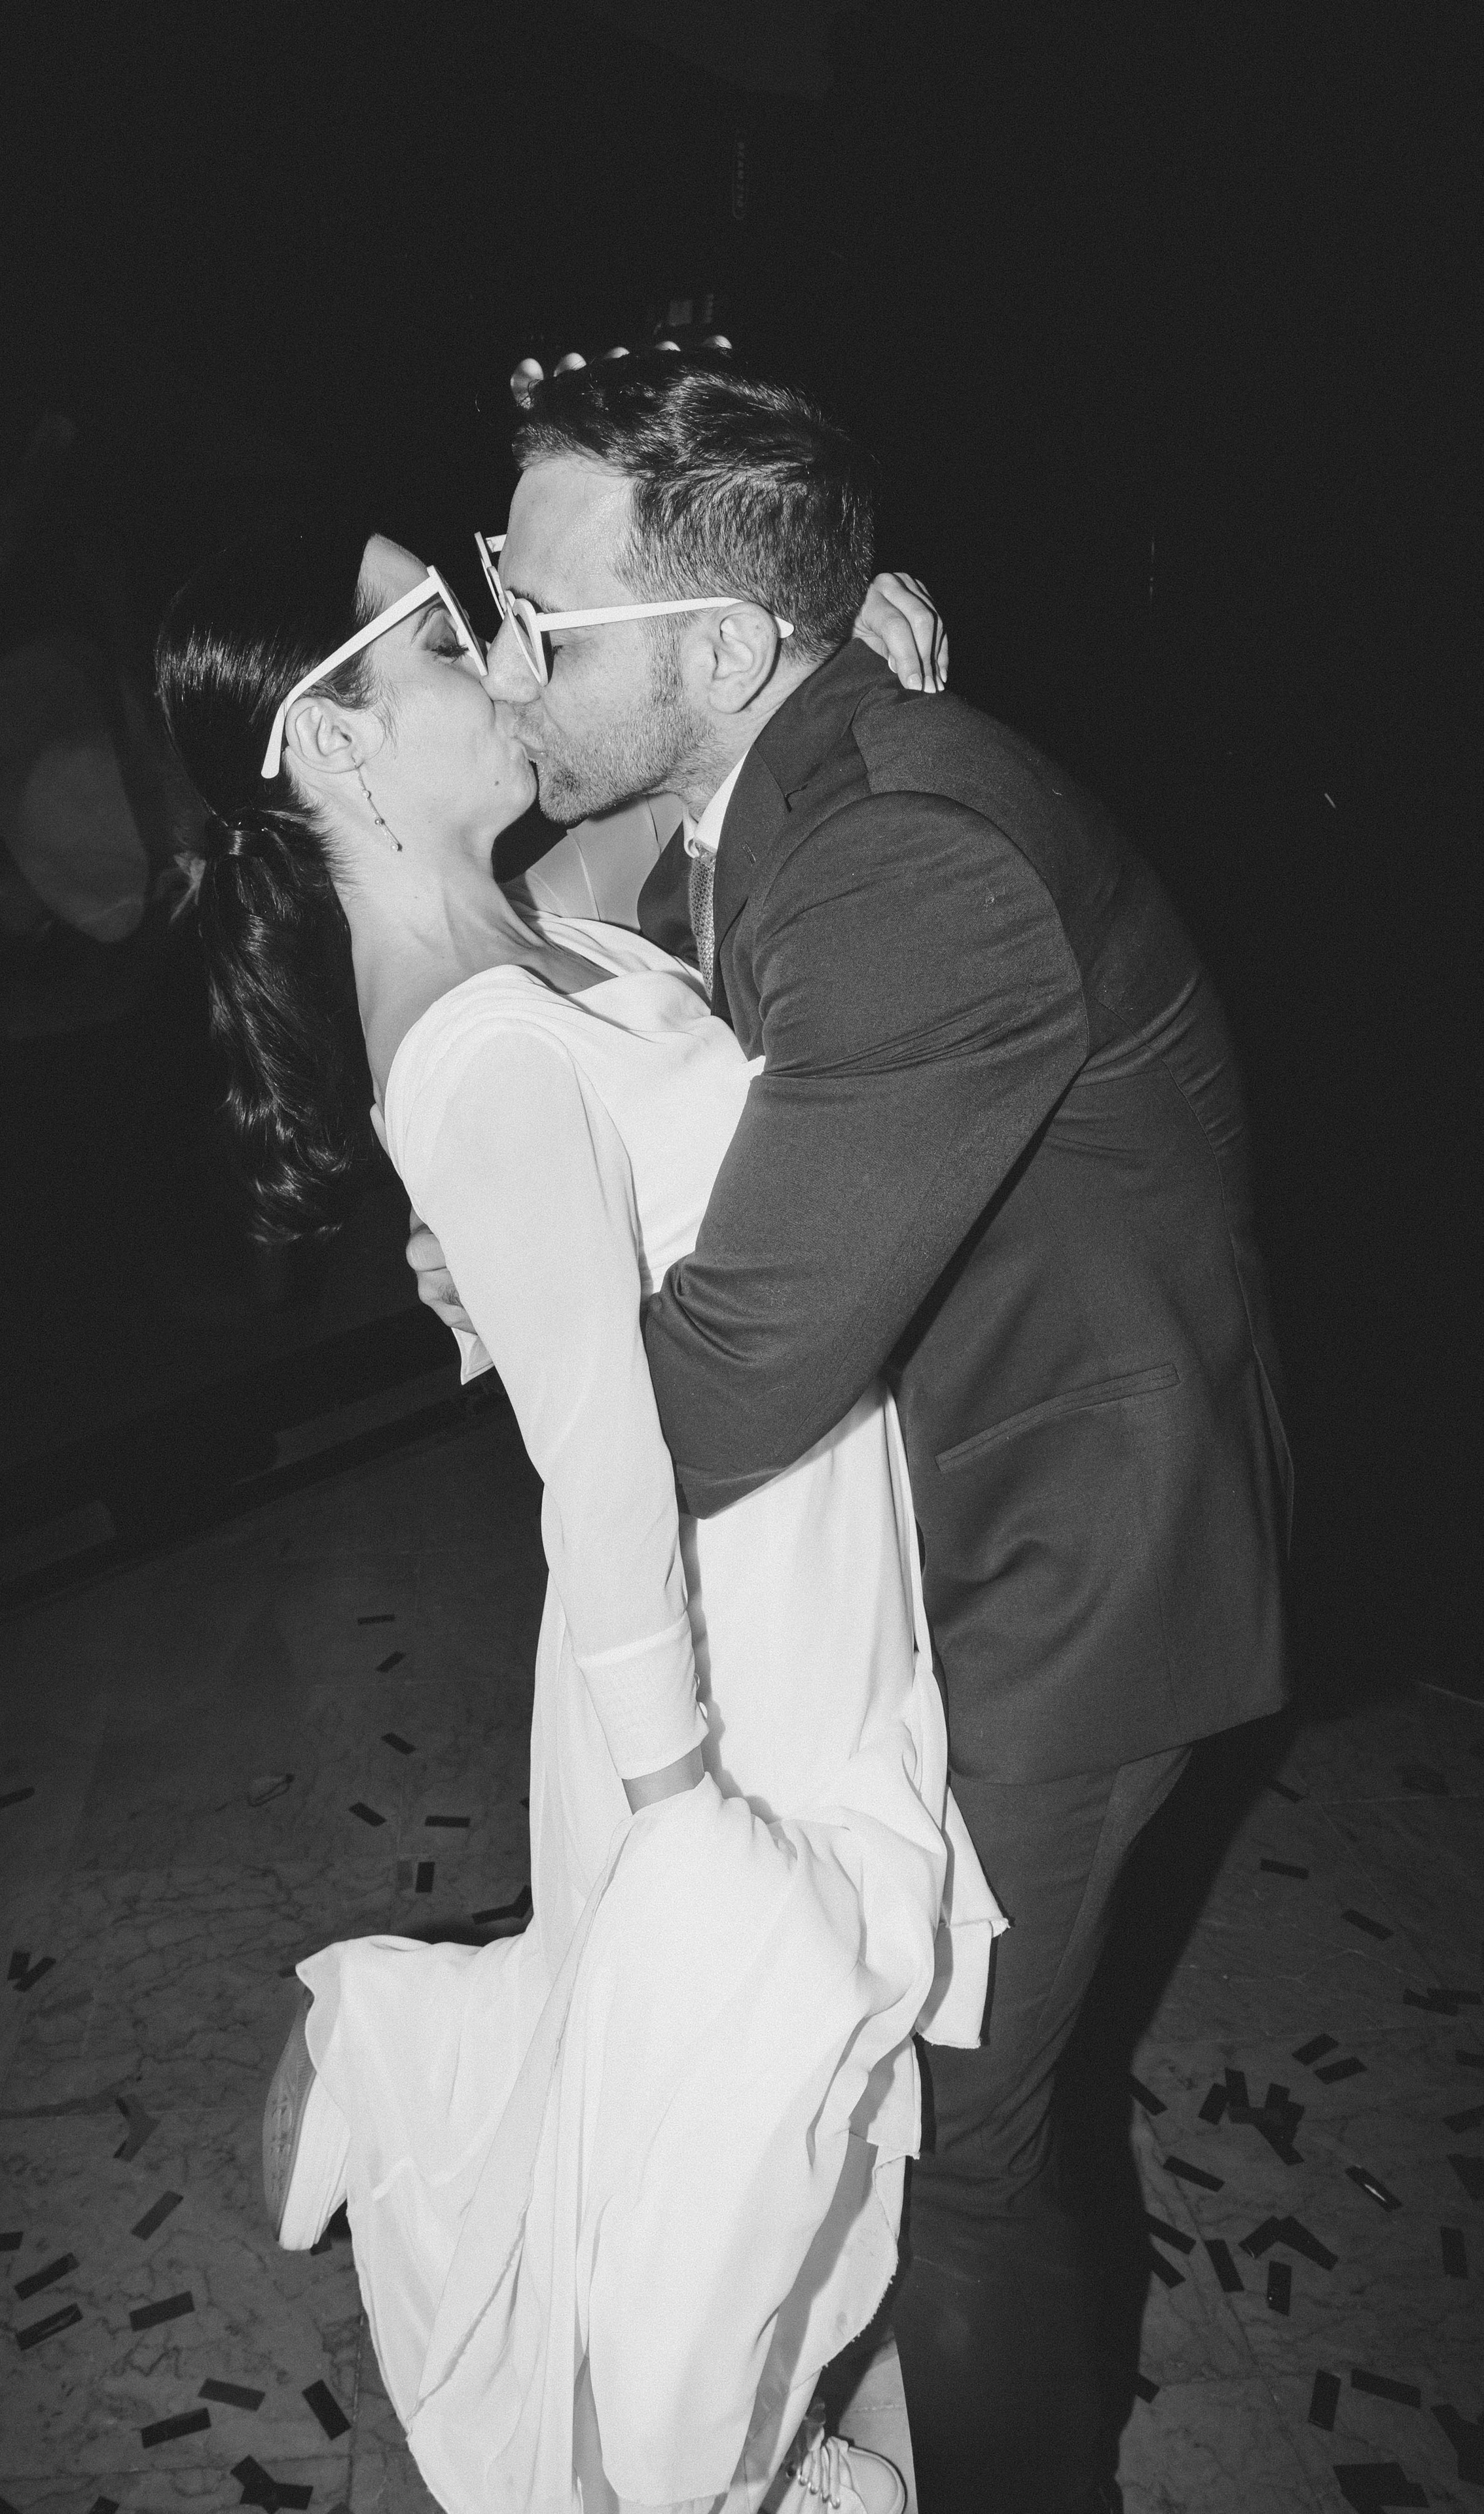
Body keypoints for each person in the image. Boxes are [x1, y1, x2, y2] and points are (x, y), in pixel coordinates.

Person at [414, 352, 1294, 2514]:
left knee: (971, 2147)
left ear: (717, 649)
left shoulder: (900, 855)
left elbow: (722, 1389)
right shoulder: (795, 773)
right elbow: (687, 945)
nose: (503, 655)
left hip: (1068, 1578)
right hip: (955, 1526)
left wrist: (548, 1319)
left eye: (540, 617)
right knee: (905, 2101)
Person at [154, 511, 1002, 2514]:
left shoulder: (525, 905)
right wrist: (689, 1804)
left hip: (778, 1567)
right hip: (707, 1663)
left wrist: (856, 667)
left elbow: (688, 798)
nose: (504, 654)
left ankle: (409, 2048)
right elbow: (601, 1475)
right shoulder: (464, 1049)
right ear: (343, 748)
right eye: (453, 638)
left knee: (715, 2144)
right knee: (720, 2188)